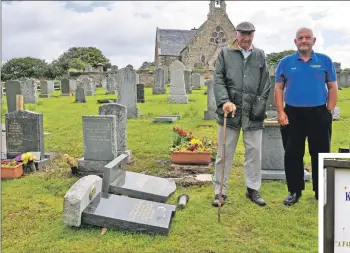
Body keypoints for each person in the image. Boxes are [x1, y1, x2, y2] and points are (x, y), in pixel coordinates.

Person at [274, 27, 338, 206]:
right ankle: (295, 191)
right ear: (295, 42)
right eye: (300, 38)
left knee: (320, 153)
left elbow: (332, 87)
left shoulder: (325, 61)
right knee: (293, 153)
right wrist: (280, 112)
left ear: (314, 40)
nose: (304, 40)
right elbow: (278, 88)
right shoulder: (285, 62)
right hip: (292, 114)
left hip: (319, 113)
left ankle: (321, 191)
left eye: (307, 37)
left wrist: (329, 110)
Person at [212, 21, 271, 207]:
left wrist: (259, 106)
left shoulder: (260, 55)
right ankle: (220, 192)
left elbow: (265, 83)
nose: (246, 38)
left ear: (254, 35)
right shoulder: (225, 53)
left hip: (253, 112)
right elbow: (218, 79)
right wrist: (225, 101)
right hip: (230, 111)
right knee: (224, 153)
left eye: (250, 34)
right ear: (236, 34)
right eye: (242, 34)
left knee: (254, 152)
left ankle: (252, 189)